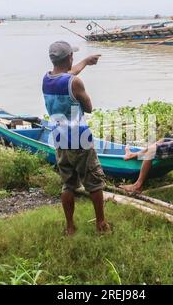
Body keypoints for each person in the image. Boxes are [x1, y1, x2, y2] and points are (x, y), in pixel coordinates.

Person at [42, 41, 110, 235]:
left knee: (68, 184)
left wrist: (86, 62)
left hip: (59, 138)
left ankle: (70, 227)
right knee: (94, 181)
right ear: (69, 58)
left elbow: (67, 76)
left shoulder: (46, 79)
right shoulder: (75, 83)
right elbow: (88, 107)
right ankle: (101, 223)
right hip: (79, 139)